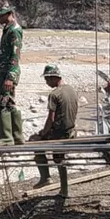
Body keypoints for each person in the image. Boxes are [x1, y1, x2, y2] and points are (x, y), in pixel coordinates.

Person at [30, 65, 78, 197]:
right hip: (71, 130)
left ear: (53, 78)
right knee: (59, 159)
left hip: (60, 133)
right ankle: (64, 190)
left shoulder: (54, 94)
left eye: (47, 79)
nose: (46, 82)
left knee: (35, 142)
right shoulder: (71, 90)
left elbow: (51, 117)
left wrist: (43, 133)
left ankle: (45, 178)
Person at [0, 2, 24, 146]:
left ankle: (7, 138)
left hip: (6, 72)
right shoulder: (8, 29)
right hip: (2, 70)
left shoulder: (14, 31)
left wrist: (10, 77)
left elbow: (15, 55)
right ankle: (17, 137)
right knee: (8, 102)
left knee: (2, 102)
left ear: (7, 14)